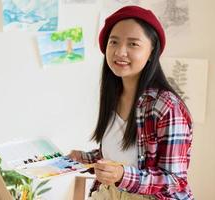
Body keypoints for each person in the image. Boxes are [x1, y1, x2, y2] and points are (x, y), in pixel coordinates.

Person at [68, 5, 193, 200]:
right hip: (110, 193)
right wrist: (83, 159)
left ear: (152, 51)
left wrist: (122, 175)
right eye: (114, 42)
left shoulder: (166, 106)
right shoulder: (113, 95)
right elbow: (118, 156)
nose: (120, 52)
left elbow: (175, 179)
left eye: (133, 44)